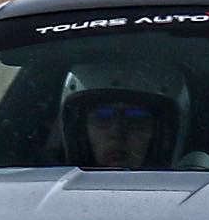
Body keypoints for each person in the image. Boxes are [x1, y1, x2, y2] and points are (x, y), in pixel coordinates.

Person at [59, 61, 193, 169]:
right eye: (103, 117)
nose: (117, 133)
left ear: (161, 135)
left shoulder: (193, 183)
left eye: (136, 118)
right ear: (80, 131)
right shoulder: (49, 182)